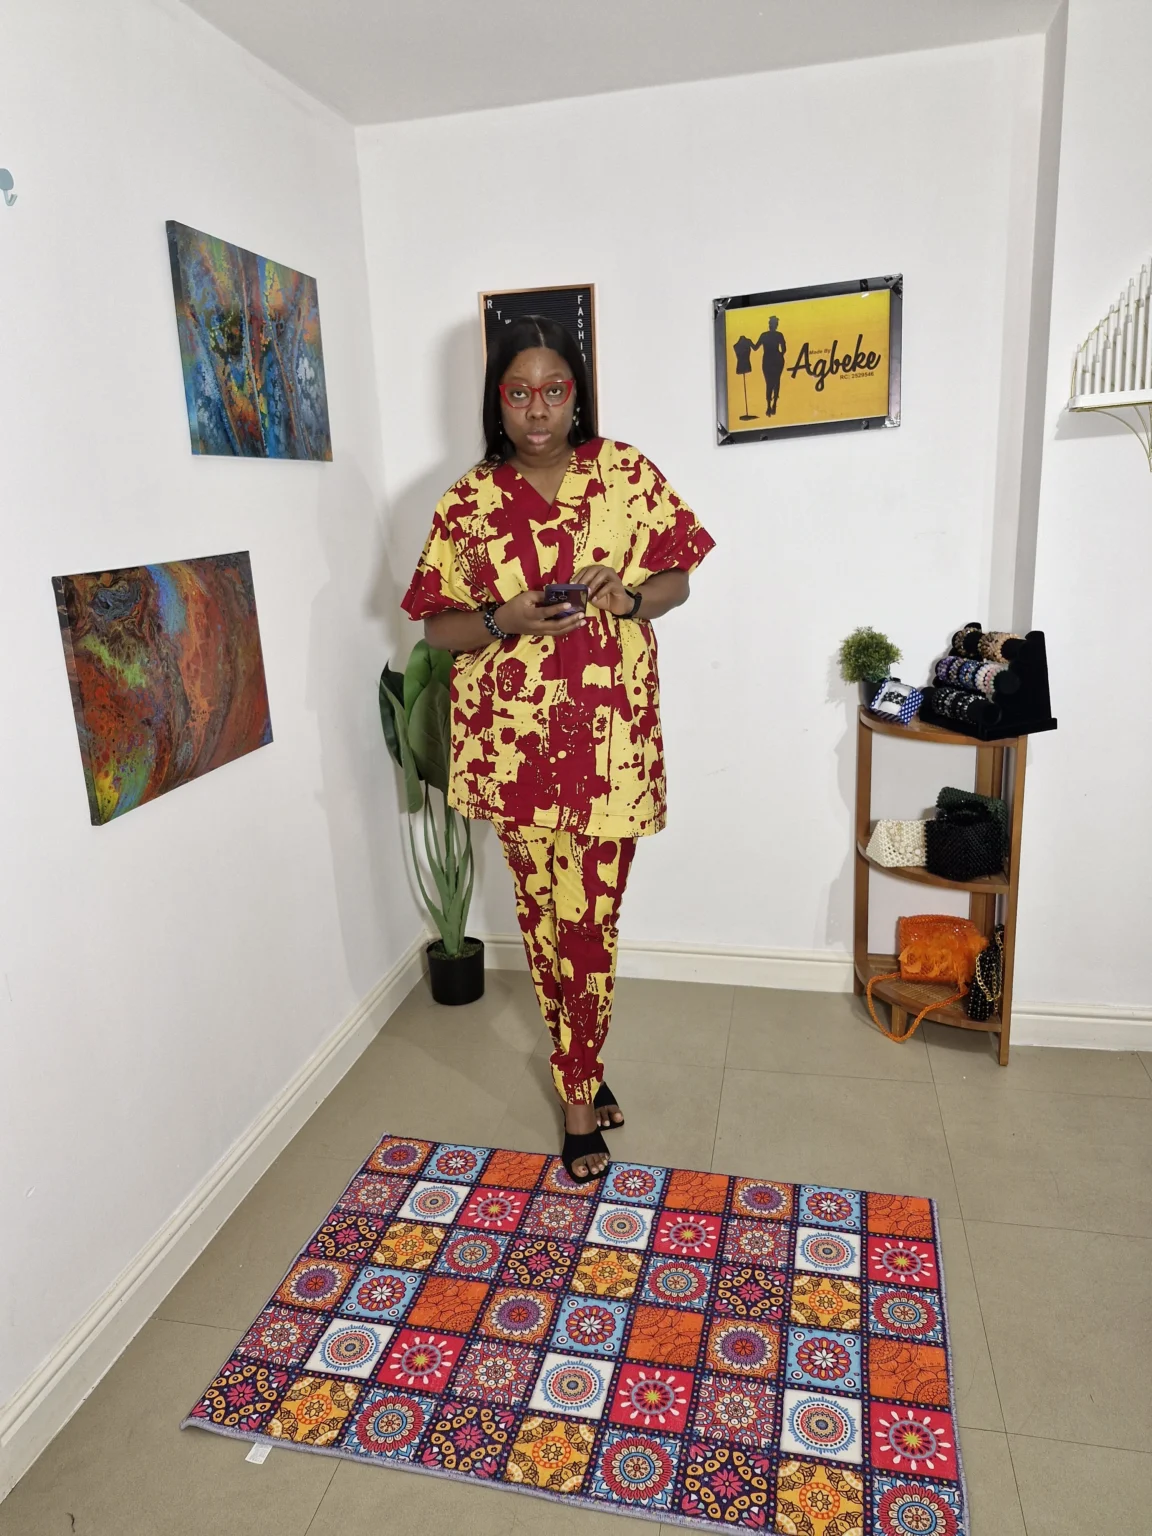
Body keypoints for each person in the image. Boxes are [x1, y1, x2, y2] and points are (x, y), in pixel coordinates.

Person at [402, 317, 714, 1181]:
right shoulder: (467, 503)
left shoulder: (626, 475)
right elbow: (436, 629)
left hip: (610, 743)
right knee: (544, 921)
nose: (536, 410)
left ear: (576, 395)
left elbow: (679, 577)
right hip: (514, 752)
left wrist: (631, 597)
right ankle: (582, 1076)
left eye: (553, 391)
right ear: (497, 401)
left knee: (592, 922)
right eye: (518, 393)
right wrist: (504, 618)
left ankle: (579, 1080)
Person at [753, 315, 787, 416]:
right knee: (776, 381)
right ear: (776, 325)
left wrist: (749, 342)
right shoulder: (779, 335)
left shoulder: (764, 335)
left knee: (769, 382)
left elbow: (755, 347)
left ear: (770, 324)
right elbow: (784, 349)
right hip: (777, 359)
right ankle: (773, 404)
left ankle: (769, 406)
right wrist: (780, 355)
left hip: (768, 359)